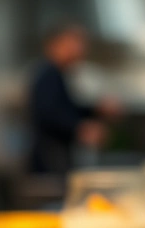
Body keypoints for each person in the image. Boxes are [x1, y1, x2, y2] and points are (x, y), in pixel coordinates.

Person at [28, 24, 119, 176]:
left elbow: (65, 108)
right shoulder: (48, 75)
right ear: (54, 45)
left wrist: (96, 109)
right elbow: (48, 113)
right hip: (50, 161)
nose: (79, 50)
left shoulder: (58, 75)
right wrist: (80, 128)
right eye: (73, 44)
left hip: (57, 158)